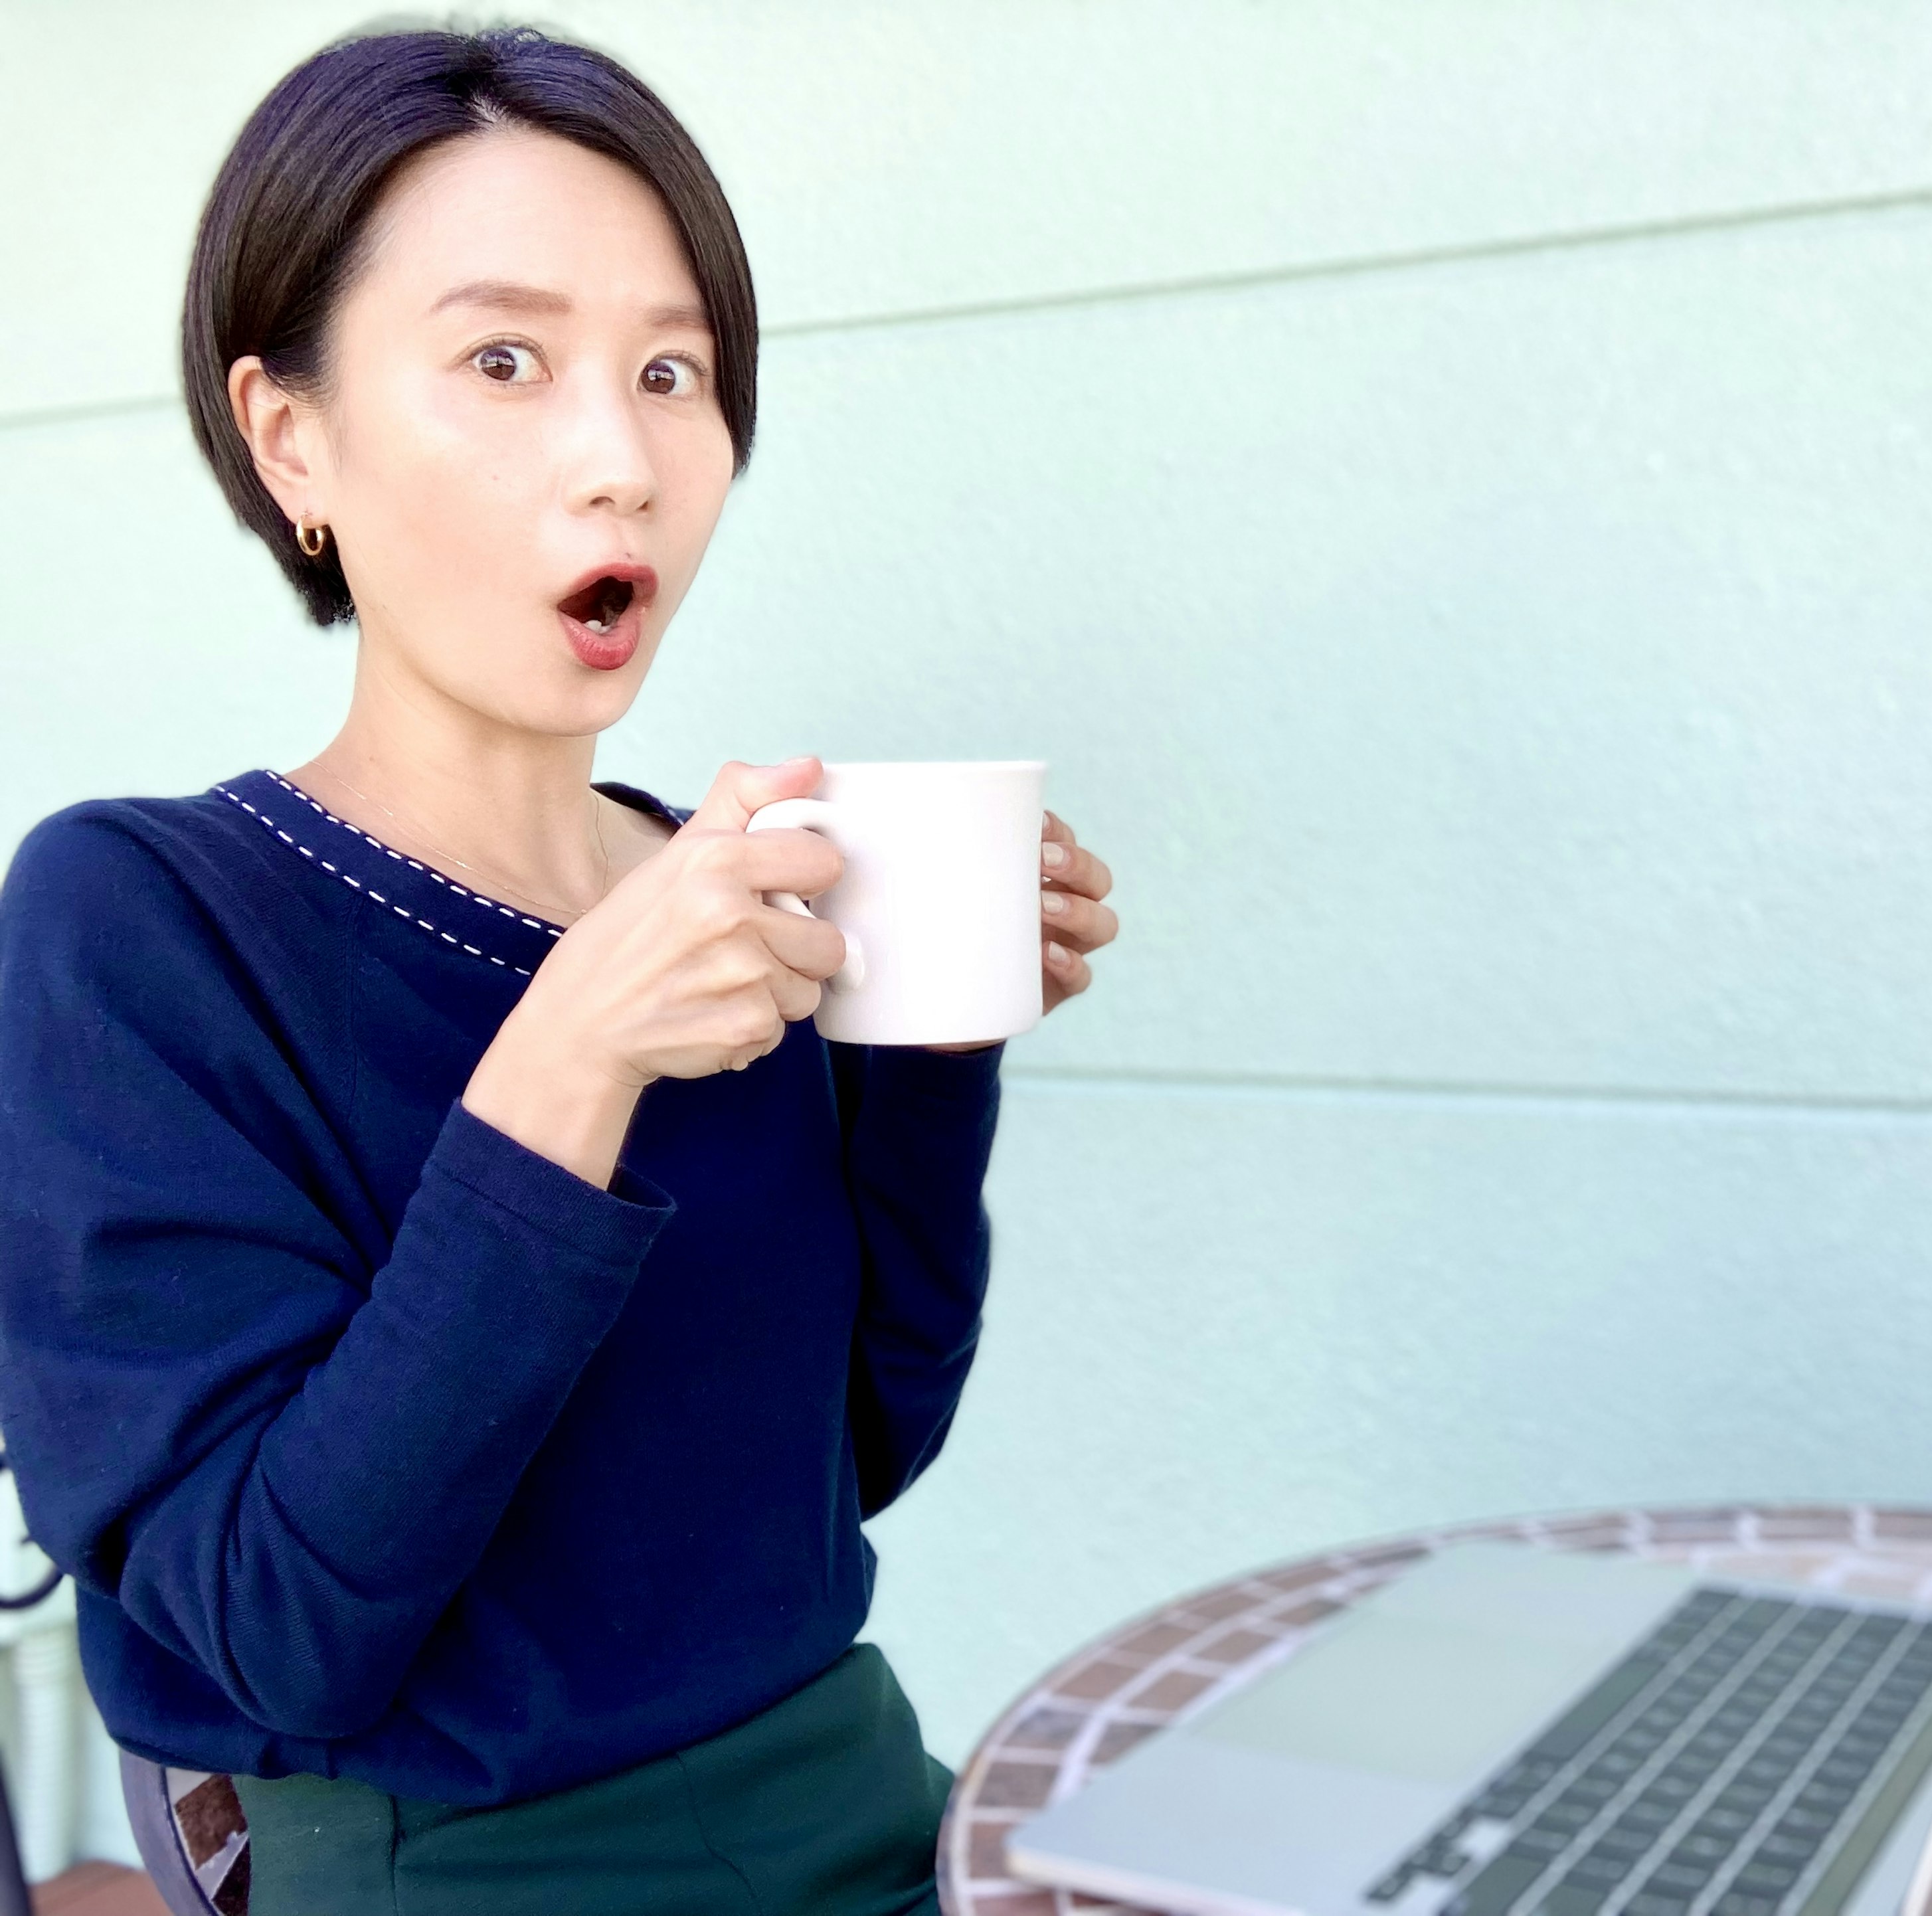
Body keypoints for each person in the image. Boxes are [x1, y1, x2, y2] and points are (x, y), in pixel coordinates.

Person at [0, 25, 1117, 1914]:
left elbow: (849, 1460)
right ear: (296, 440)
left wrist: (931, 1038)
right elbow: (280, 1629)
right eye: (503, 361)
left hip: (870, 1809)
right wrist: (565, 1067)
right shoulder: (140, 917)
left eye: (671, 370)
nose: (621, 459)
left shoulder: (712, 887)